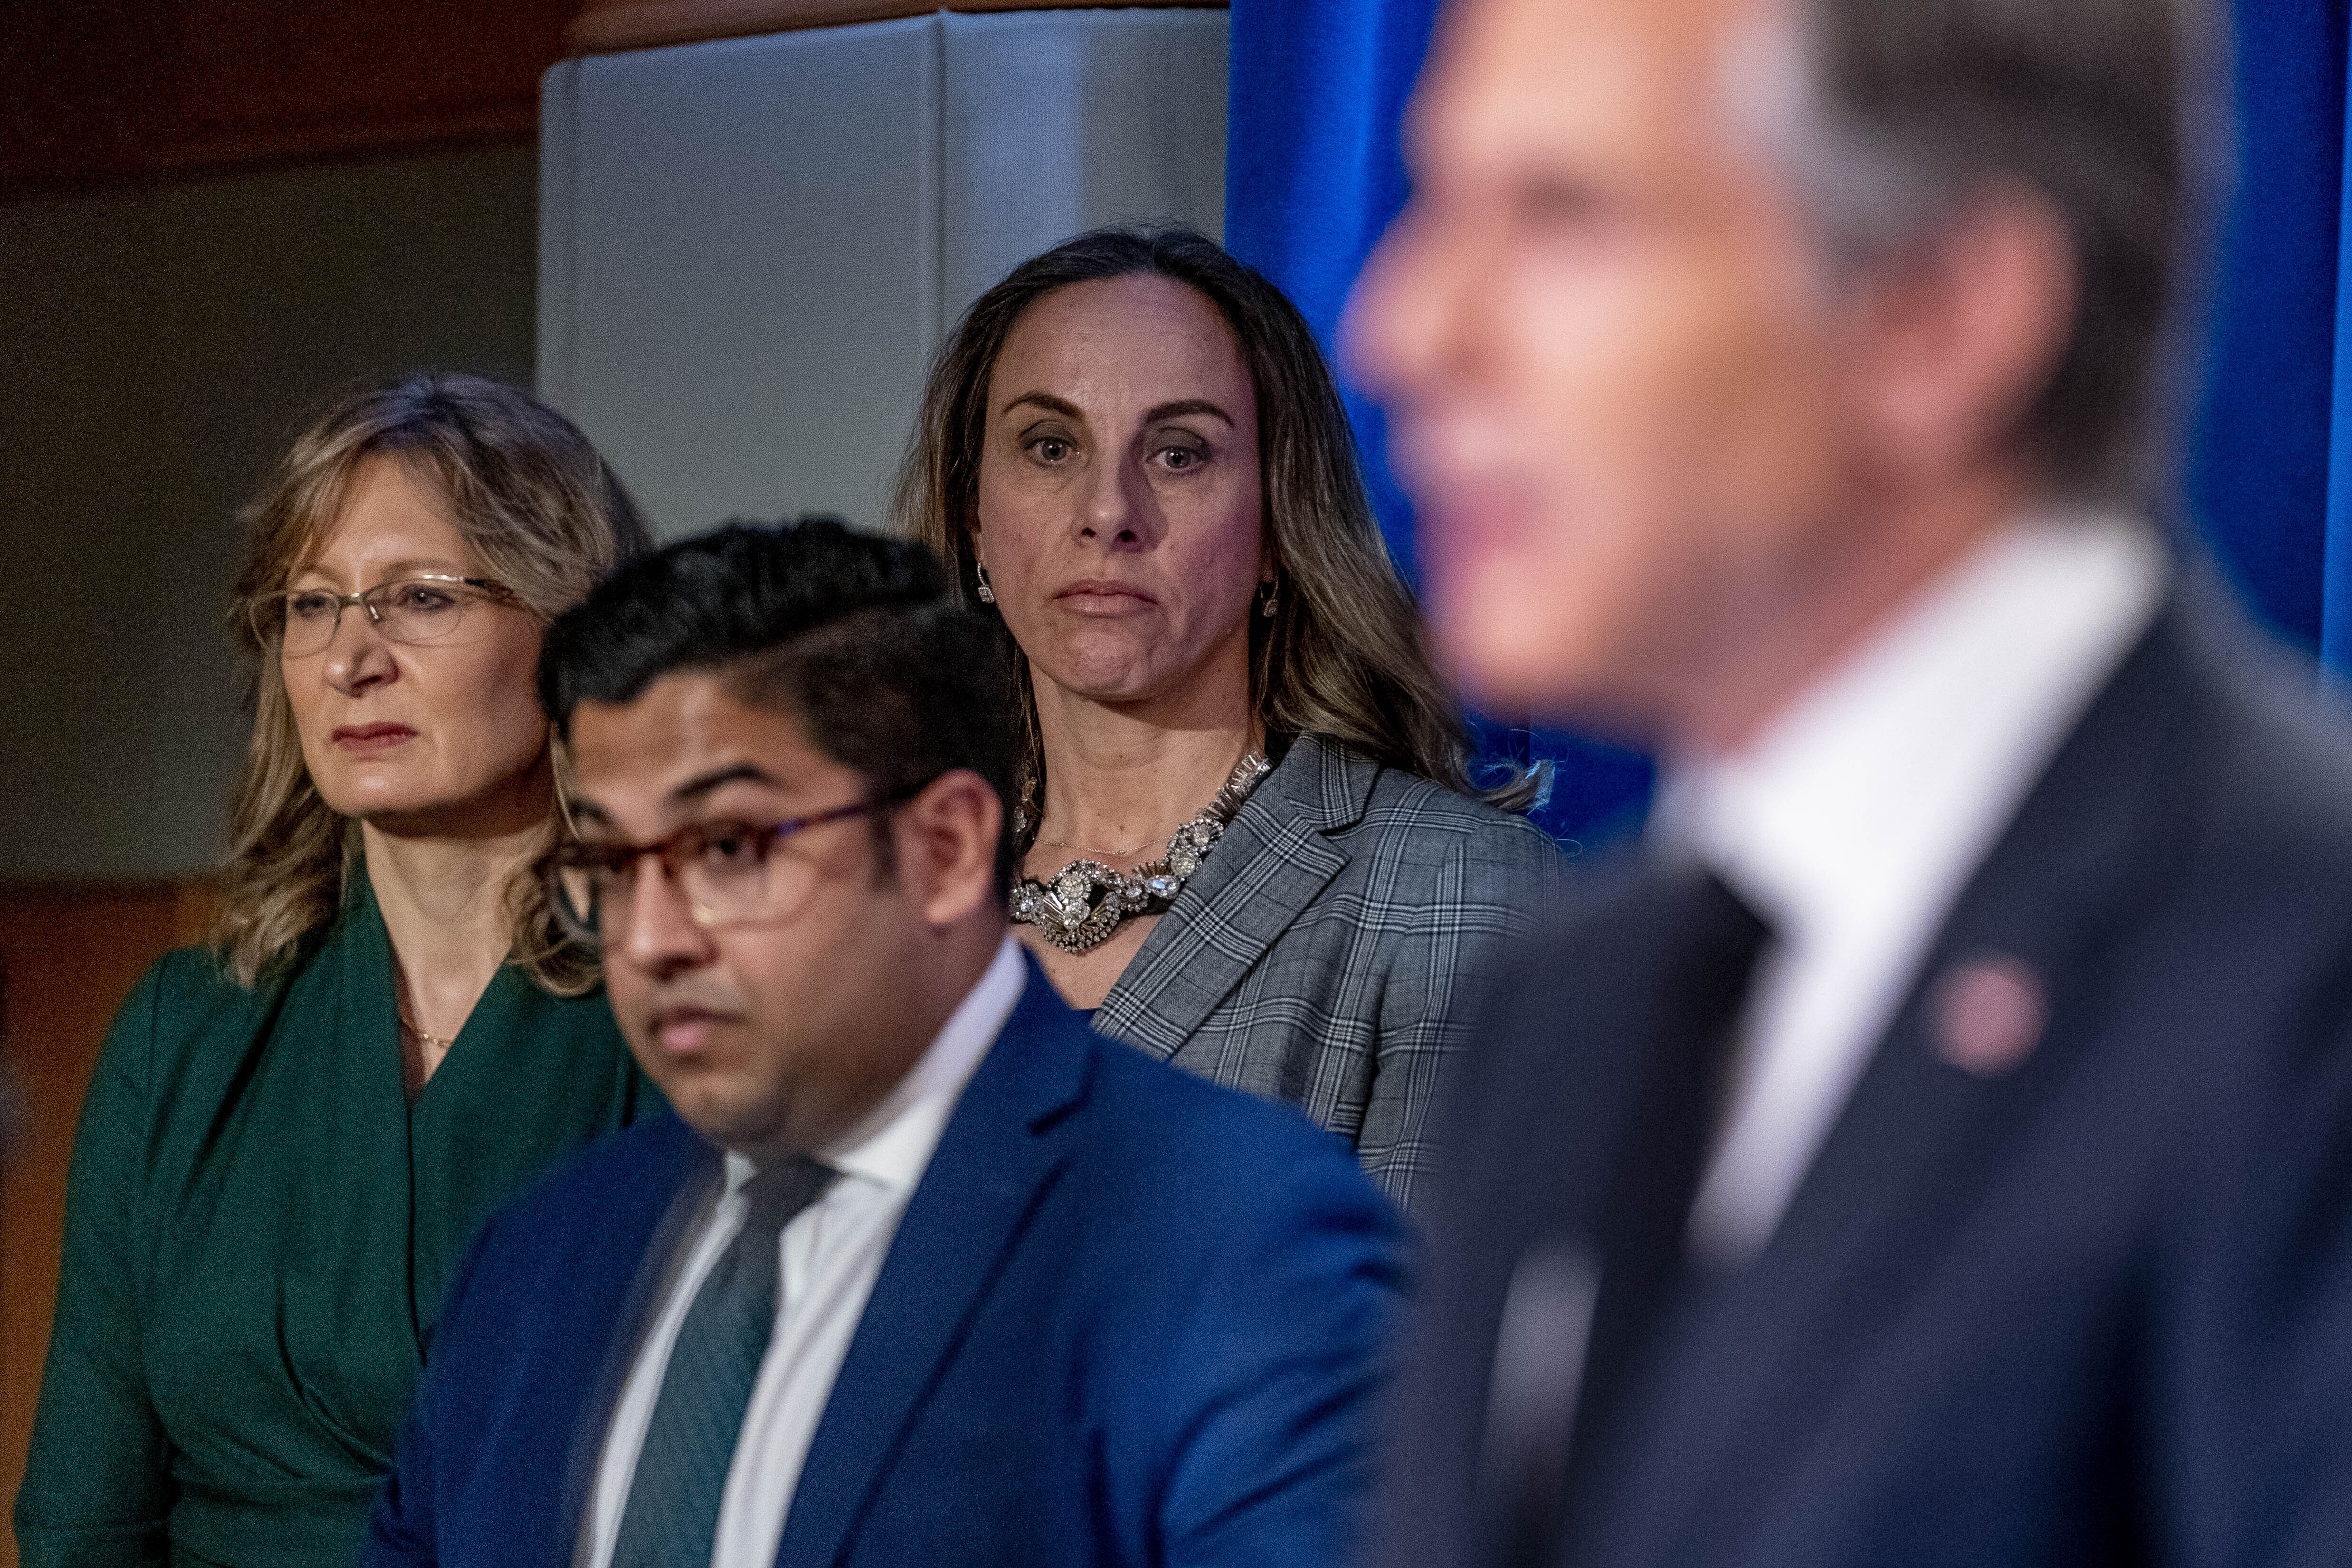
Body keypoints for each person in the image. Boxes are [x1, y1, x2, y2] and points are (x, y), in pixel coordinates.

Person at [1345, 0, 2352, 1564]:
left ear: (1938, 307)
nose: (1405, 329)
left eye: (1561, 216)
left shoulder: (2303, 967)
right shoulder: (1558, 1001)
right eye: (1435, 204)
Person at [362, 519, 1404, 1568]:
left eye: (725, 848)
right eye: (613, 865)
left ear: (944, 849)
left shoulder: (1229, 1231)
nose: (649, 939)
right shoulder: (536, 1257)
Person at [15, 374, 661, 1568]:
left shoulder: (694, 1024)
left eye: (419, 597)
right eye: (312, 605)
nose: (352, 656)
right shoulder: (184, 1033)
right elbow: (80, 1521)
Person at [898, 227, 1554, 1207]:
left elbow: (1431, 1349)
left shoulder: (1457, 896)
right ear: (974, 520)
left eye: (1177, 453)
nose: (1107, 511)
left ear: (1277, 530)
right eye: (1049, 446)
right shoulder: (879, 896)